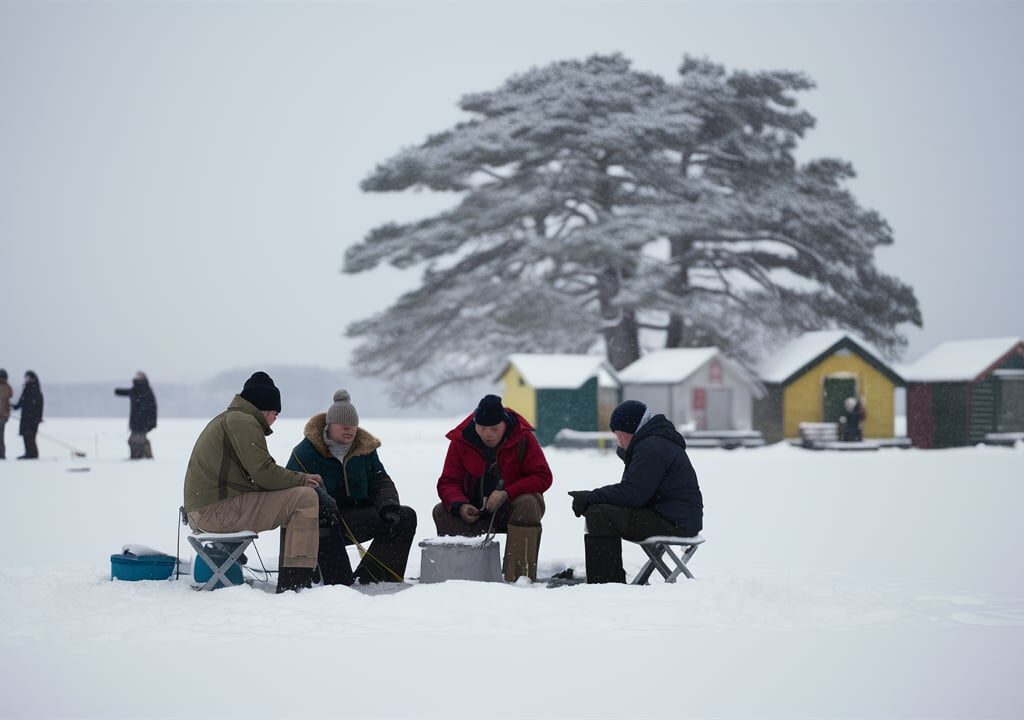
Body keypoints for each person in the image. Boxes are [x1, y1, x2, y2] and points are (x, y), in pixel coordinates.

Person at [183, 371, 324, 593]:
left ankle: (295, 577)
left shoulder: (230, 419)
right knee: (304, 498)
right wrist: (302, 479)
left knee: (296, 494)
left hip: (208, 510)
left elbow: (256, 475)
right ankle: (296, 584)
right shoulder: (243, 421)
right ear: (266, 409)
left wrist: (292, 481)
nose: (276, 419)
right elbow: (263, 473)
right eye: (276, 413)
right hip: (217, 512)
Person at [286, 389, 417, 585]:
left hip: (356, 516)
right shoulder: (304, 452)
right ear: (329, 425)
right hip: (321, 524)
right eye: (343, 425)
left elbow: (380, 480)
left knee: (405, 516)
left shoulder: (365, 449)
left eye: (353, 425)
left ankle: (374, 577)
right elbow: (291, 490)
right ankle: (331, 576)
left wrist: (389, 505)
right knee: (339, 577)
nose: (349, 430)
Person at [569, 399, 703, 584]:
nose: (619, 442)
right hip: (678, 518)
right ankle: (606, 579)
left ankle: (606, 583)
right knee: (602, 509)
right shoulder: (653, 442)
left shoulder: (651, 447)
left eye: (618, 436)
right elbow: (637, 491)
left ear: (629, 431)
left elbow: (632, 494)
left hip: (674, 522)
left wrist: (591, 497)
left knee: (599, 513)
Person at [433, 394, 552, 582]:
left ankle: (518, 577)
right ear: (475, 424)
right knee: (442, 511)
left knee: (528, 503)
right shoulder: (461, 441)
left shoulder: (523, 438)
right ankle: (459, 577)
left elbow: (543, 476)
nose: (488, 434)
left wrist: (507, 493)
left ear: (504, 424)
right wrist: (460, 505)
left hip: (512, 509)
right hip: (475, 512)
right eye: (482, 428)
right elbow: (448, 482)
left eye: (494, 429)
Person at [115, 371, 158, 459]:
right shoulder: (135, 390)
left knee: (135, 441)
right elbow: (126, 392)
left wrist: (151, 422)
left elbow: (153, 408)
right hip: (136, 423)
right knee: (135, 441)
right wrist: (117, 391)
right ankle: (141, 456)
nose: (135, 378)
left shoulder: (146, 391)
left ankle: (139, 457)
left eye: (138, 377)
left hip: (143, 423)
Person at [11, 371, 43, 460]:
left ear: (33, 379)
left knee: (31, 436)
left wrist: (38, 418)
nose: (26, 379)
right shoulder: (26, 390)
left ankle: (32, 454)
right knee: (26, 436)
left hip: (33, 419)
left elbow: (40, 407)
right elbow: (20, 403)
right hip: (25, 418)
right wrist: (12, 406)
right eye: (26, 378)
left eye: (28, 378)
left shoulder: (36, 391)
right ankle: (29, 453)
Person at [0, 369, 11, 460]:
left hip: (2, 416)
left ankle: (1, 455)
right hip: (3, 416)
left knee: (0, 437)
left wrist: (6, 415)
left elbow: (6, 404)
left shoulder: (7, 388)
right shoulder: (8, 387)